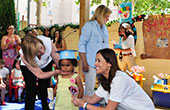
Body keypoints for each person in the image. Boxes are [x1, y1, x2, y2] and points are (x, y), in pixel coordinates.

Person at [72, 48, 155, 110]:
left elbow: (109, 109)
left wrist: (84, 105)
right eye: (95, 60)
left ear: (109, 64)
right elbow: (92, 99)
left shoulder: (119, 79)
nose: (95, 64)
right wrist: (75, 93)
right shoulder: (106, 81)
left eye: (99, 61)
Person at [78, 5, 112, 96]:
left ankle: (102, 105)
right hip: (90, 62)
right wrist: (84, 62)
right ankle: (88, 106)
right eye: (106, 16)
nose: (108, 19)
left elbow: (106, 45)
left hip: (102, 63)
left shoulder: (104, 28)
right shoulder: (89, 26)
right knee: (90, 87)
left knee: (104, 86)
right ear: (101, 15)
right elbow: (81, 45)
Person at [20, 35, 60, 110]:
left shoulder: (48, 43)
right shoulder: (24, 56)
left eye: (41, 47)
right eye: (37, 52)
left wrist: (66, 71)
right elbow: (40, 74)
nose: (42, 51)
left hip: (46, 63)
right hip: (28, 68)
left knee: (45, 88)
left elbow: (58, 60)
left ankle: (46, 107)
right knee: (31, 90)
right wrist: (55, 71)